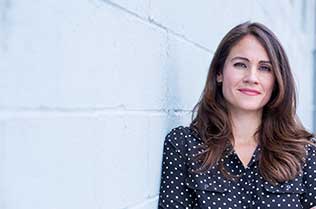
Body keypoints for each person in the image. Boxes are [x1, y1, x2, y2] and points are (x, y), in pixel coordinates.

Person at [157, 21, 316, 209]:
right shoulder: (183, 145)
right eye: (240, 64)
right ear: (219, 72)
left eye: (265, 68)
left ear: (277, 80)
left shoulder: (304, 153)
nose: (251, 78)